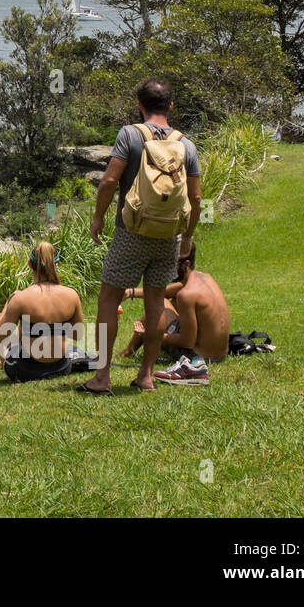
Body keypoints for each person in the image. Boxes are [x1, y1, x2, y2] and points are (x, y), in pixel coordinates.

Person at [80, 78, 202, 394]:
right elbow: (197, 197)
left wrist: (98, 218)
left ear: (140, 104)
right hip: (168, 235)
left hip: (131, 231)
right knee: (156, 304)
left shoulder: (130, 134)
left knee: (108, 298)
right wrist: (186, 237)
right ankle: (145, 376)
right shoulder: (186, 144)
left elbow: (109, 181)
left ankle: (102, 377)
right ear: (171, 106)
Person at [0, 241, 85, 383]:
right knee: (30, 329)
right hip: (61, 368)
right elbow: (78, 334)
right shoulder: (72, 295)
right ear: (56, 264)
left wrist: (9, 301)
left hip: (25, 371)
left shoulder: (21, 297)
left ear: (29, 264)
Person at [114, 241, 230, 385]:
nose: (166, 269)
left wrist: (152, 335)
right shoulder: (204, 277)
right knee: (162, 302)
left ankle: (127, 353)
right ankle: (128, 352)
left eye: (170, 264)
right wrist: (130, 292)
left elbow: (187, 342)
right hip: (220, 354)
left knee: (156, 309)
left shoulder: (186, 295)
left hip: (199, 358)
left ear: (185, 264)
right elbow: (165, 292)